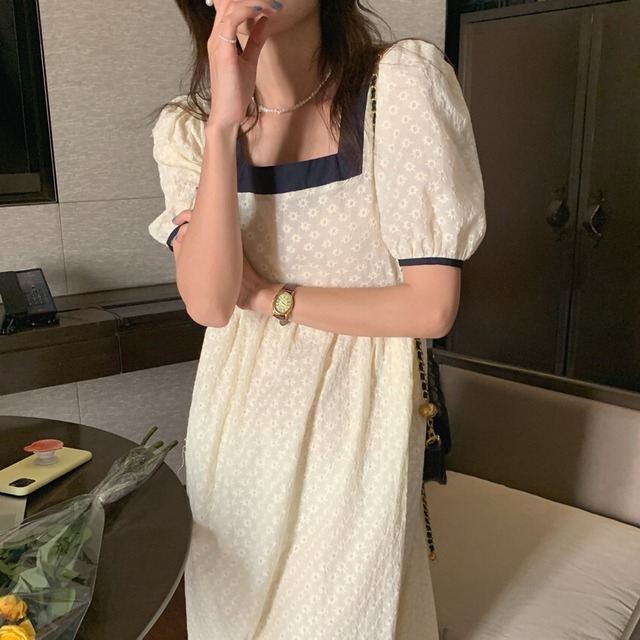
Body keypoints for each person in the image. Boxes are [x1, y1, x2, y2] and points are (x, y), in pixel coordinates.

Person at [149, 0, 485, 637]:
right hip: (236, 424)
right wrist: (224, 126)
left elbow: (432, 306)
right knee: (232, 613)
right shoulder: (190, 130)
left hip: (356, 421)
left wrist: (270, 297)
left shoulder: (398, 87)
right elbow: (210, 303)